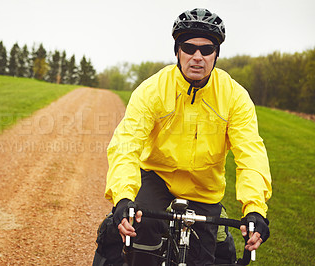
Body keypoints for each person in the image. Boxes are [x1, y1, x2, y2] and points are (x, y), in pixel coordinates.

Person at [104, 8, 272, 266]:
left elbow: (251, 155)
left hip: (204, 188)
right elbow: (126, 144)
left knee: (203, 259)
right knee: (141, 229)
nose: (197, 57)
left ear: (216, 54)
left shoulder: (235, 97)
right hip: (156, 176)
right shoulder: (152, 90)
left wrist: (255, 209)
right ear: (177, 51)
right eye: (189, 48)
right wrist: (124, 197)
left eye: (206, 50)